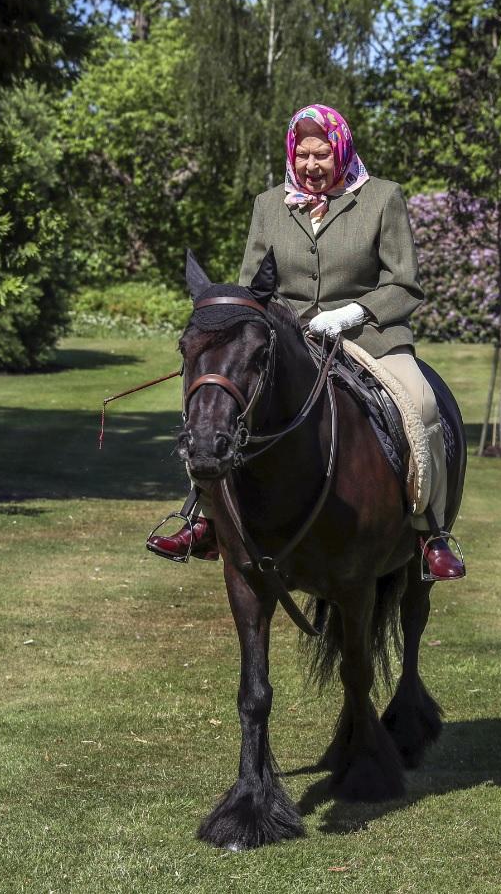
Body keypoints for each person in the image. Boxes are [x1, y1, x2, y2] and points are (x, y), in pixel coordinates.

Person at [148, 103, 464, 580]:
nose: (312, 166)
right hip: (287, 337)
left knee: (421, 404)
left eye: (322, 154)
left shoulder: (382, 198)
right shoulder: (268, 204)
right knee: (219, 405)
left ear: (340, 150)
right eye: (303, 156)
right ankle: (206, 519)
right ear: (291, 155)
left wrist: (353, 313)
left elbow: (404, 284)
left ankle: (429, 531)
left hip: (369, 335)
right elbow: (253, 286)